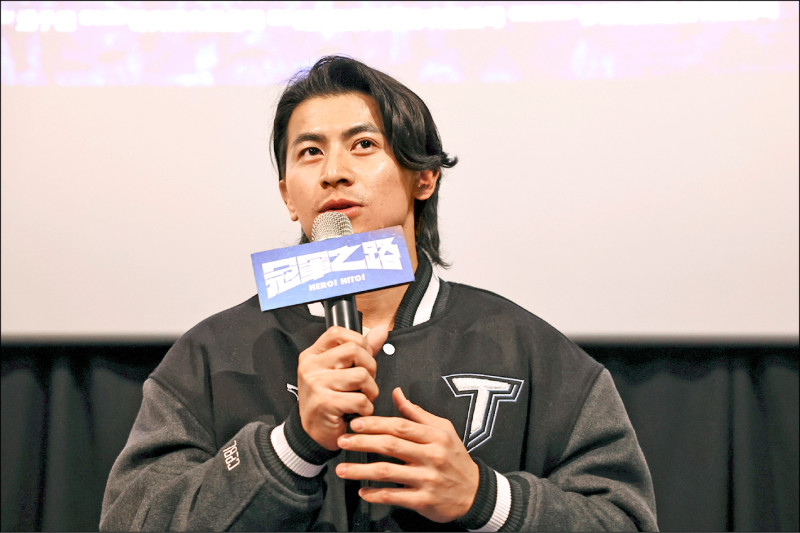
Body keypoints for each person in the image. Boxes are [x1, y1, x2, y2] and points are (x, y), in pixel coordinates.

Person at [100, 55, 658, 531]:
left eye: (363, 144)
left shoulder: (529, 350)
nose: (334, 172)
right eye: (310, 152)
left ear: (424, 177)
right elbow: (130, 518)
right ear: (288, 196)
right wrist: (289, 447)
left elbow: (625, 519)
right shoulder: (212, 355)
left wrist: (486, 498)